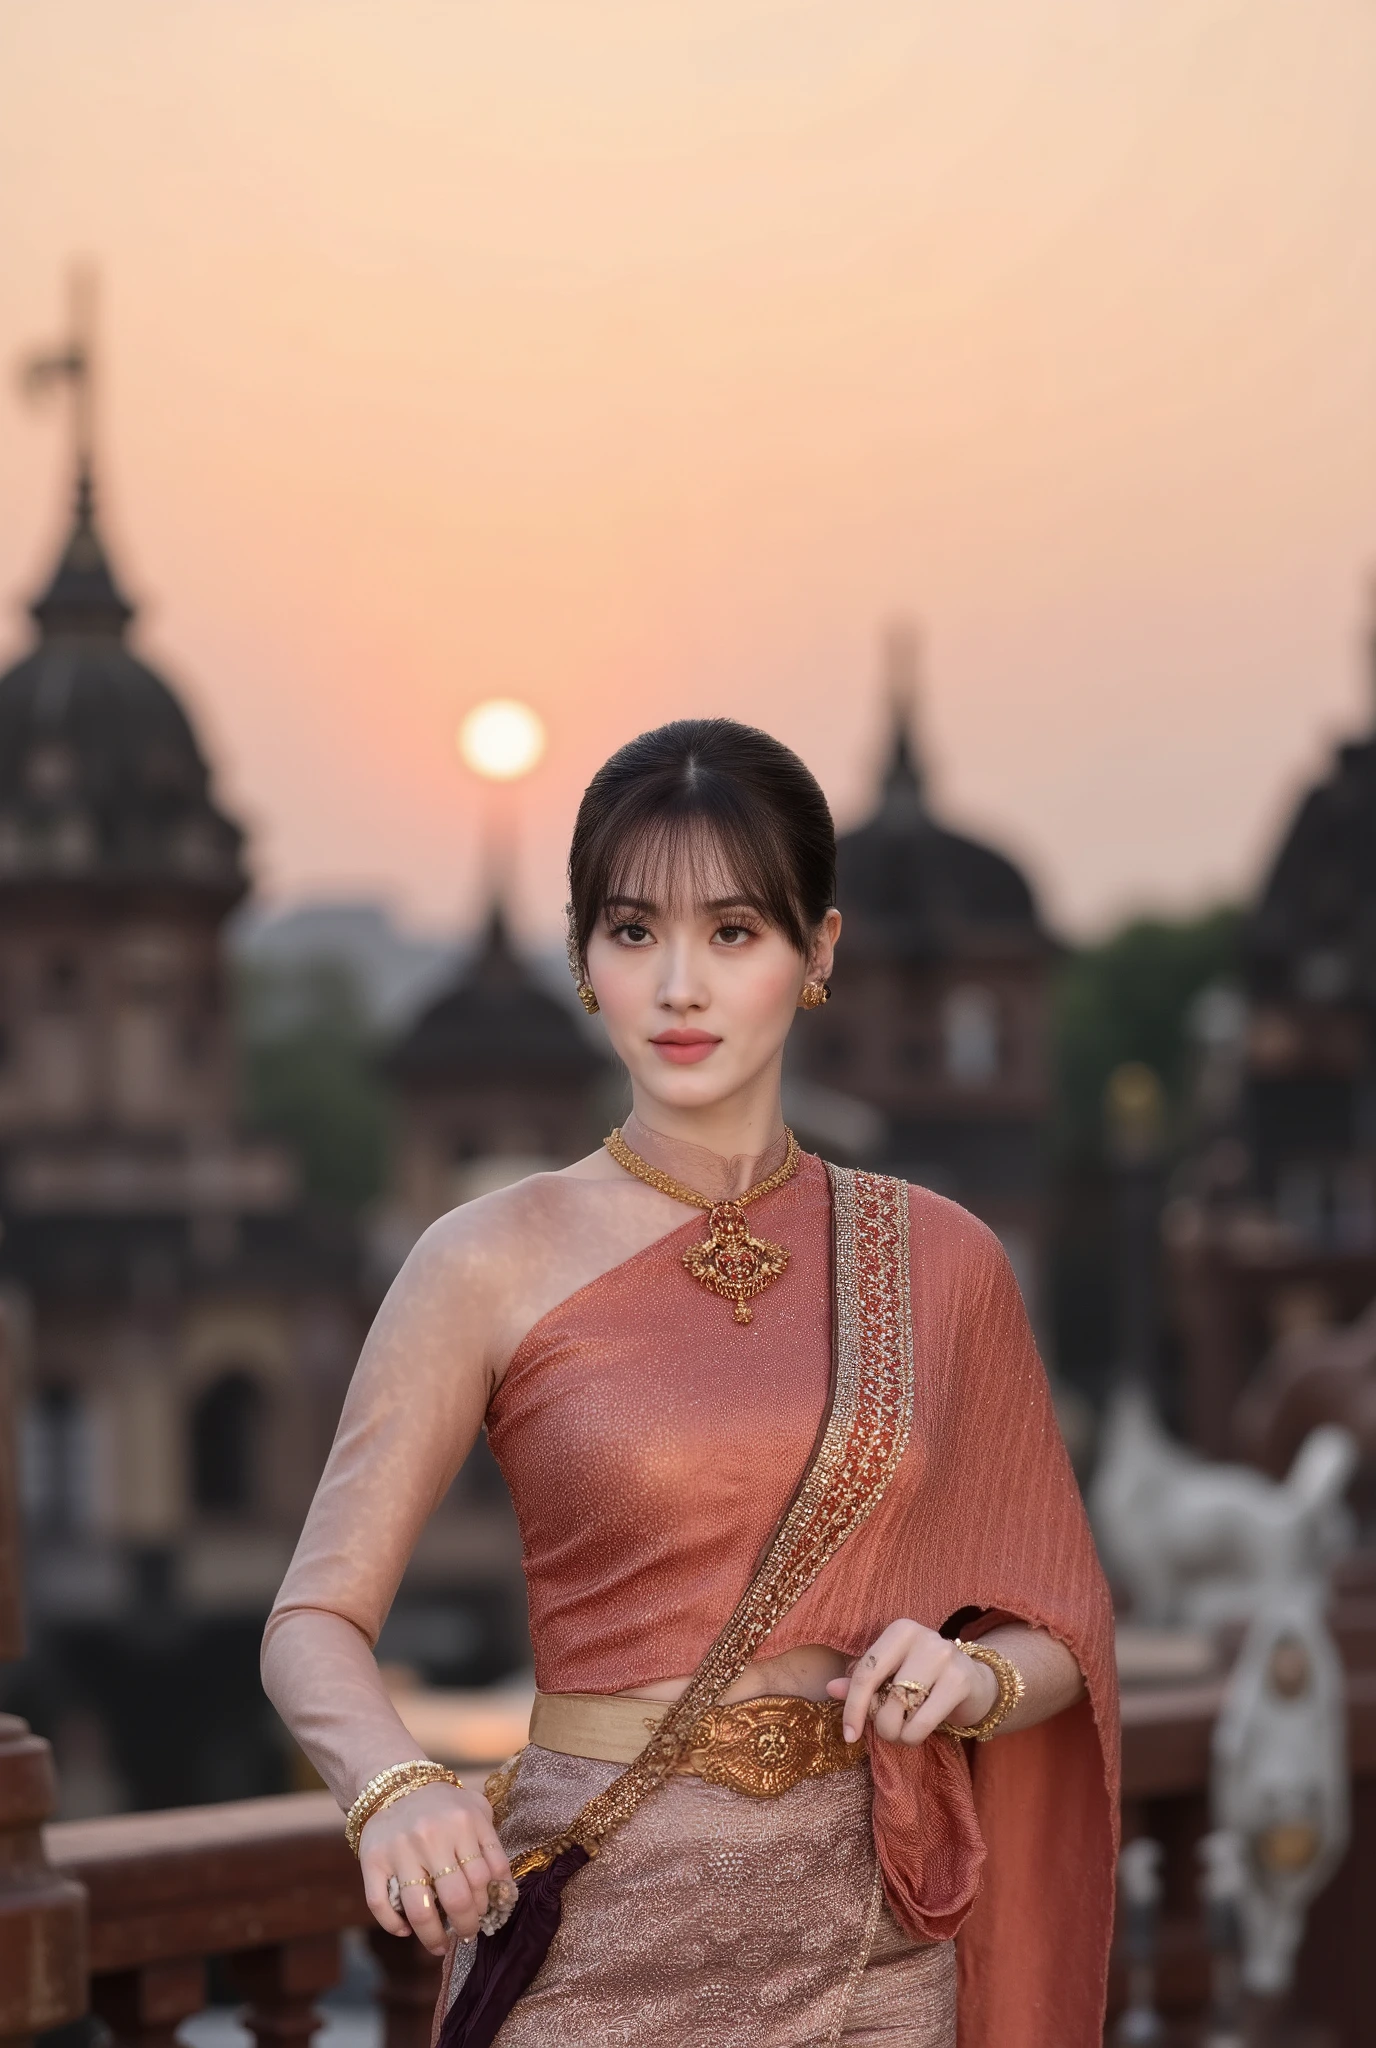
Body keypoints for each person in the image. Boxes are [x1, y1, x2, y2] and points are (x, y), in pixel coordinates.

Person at [262, 718, 1119, 2048]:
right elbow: (313, 1620)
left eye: (732, 932)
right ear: (582, 959)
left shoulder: (939, 1259)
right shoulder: (482, 1262)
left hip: (873, 1947)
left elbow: (1064, 1626)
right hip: (592, 1935)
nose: (679, 987)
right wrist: (395, 1788)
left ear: (817, 952)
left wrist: (972, 1683)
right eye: (632, 932)